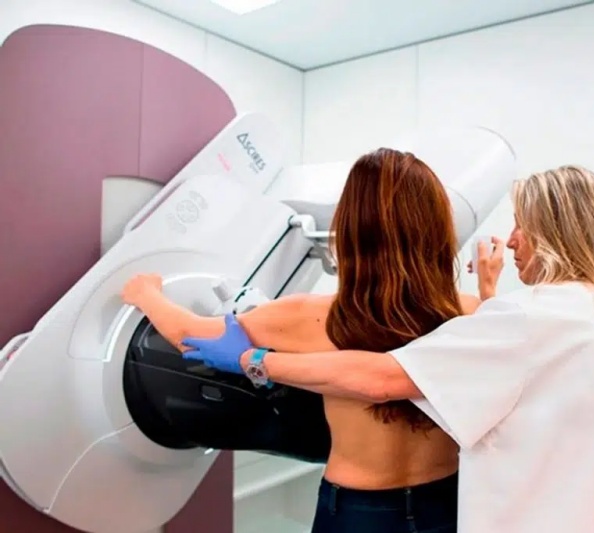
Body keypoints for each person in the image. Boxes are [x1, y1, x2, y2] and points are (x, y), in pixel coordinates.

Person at [182, 164, 594, 533]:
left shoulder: (528, 316)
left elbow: (382, 379)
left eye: (522, 225)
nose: (512, 240)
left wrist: (251, 360)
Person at [121, 147, 482, 533]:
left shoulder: (309, 317)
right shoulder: (468, 311)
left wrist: (146, 293)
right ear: (437, 229)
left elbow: (188, 336)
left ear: (352, 229)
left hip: (359, 511)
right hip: (446, 501)